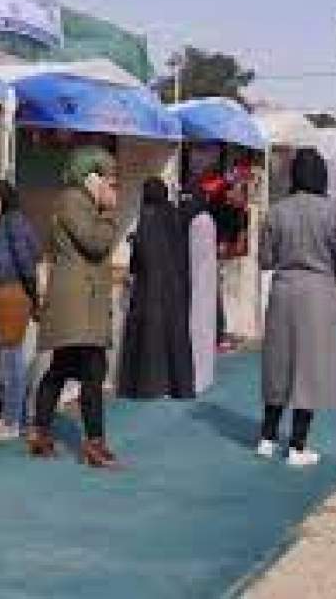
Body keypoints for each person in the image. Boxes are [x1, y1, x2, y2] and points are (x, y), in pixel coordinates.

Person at [258, 148, 336, 467]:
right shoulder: (333, 212)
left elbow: (265, 259)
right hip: (320, 292)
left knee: (278, 365)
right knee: (310, 370)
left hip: (284, 289)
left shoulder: (276, 211)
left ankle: (267, 437)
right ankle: (298, 445)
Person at [28, 146, 121, 468]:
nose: (114, 187)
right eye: (109, 179)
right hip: (77, 303)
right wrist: (108, 214)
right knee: (92, 372)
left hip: (81, 302)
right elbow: (95, 242)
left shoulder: (80, 202)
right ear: (91, 177)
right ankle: (93, 444)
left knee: (62, 369)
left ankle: (40, 432)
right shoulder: (73, 200)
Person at [118, 178, 195, 400]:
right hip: (175, 285)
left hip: (150, 287)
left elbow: (143, 252)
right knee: (174, 336)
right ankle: (177, 385)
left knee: (149, 338)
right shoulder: (174, 213)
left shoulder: (148, 214)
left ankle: (148, 386)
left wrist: (134, 246)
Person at [0, 179, 41, 439]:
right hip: (5, 293)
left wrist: (32, 293)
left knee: (11, 359)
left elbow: (27, 260)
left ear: (5, 199)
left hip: (12, 293)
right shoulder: (4, 224)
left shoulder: (12, 222)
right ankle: (12, 416)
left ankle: (11, 421)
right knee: (8, 358)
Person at [180, 190, 218, 394]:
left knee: (197, 329)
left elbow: (193, 256)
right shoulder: (206, 219)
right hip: (204, 282)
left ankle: (196, 378)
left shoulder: (199, 222)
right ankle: (202, 376)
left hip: (197, 282)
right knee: (203, 329)